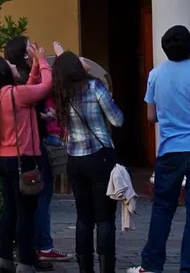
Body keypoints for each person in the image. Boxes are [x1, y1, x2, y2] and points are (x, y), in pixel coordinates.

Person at [130, 26, 190, 273]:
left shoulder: (155, 75)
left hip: (170, 149)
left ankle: (151, 264)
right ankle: (189, 266)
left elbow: (151, 117)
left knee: (163, 208)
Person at [52, 45, 124, 273]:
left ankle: (85, 267)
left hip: (75, 159)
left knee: (83, 217)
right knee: (104, 217)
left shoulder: (61, 94)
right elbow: (117, 120)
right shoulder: (95, 87)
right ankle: (106, 266)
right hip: (100, 157)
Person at [0, 41, 52, 273]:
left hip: (4, 158)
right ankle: (25, 261)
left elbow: (30, 88)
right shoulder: (17, 94)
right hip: (23, 159)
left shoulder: (1, 95)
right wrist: (42, 60)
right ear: (5, 72)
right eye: (9, 65)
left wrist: (33, 66)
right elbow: (45, 87)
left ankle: (5, 258)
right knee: (26, 212)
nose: (14, 66)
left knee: (10, 210)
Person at [6, 37, 68, 265]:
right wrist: (46, 60)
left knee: (31, 197)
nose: (35, 46)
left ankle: (31, 245)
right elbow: (46, 87)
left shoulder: (23, 76)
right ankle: (42, 245)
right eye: (30, 45)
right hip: (37, 143)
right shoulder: (24, 77)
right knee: (41, 195)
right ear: (24, 54)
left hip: (31, 144)